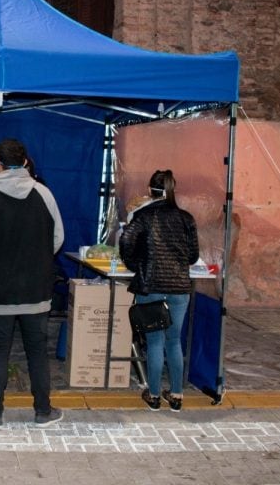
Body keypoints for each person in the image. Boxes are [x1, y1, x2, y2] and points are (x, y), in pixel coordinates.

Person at [0, 138, 65, 429]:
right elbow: (57, 238)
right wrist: (38, 264)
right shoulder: (44, 194)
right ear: (24, 162)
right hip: (37, 289)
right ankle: (43, 411)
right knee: (37, 350)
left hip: (0, 289)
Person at [118, 169, 199, 413]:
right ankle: (176, 395)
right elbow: (193, 256)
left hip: (150, 286)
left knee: (154, 342)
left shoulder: (143, 216)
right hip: (179, 288)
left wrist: (136, 265)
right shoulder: (186, 218)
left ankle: (153, 395)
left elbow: (125, 241)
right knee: (174, 342)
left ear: (150, 190)